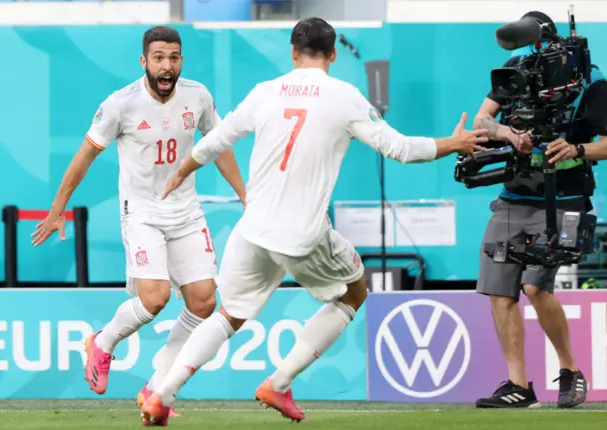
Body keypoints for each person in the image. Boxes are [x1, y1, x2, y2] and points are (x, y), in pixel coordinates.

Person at [136, 17, 488, 426]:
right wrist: (455, 143)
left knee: (228, 314)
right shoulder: (344, 97)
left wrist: (183, 169)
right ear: (334, 54)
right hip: (302, 234)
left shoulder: (265, 92)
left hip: (252, 228)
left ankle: (162, 394)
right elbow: (402, 149)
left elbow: (217, 139)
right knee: (354, 292)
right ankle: (280, 383)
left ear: (292, 52)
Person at [31, 26, 246, 414]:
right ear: (144, 61)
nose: (167, 66)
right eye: (159, 58)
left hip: (186, 211)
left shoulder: (197, 96)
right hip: (142, 213)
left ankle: (157, 388)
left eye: (174, 58)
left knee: (203, 302)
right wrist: (58, 208)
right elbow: (84, 157)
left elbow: (218, 147)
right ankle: (103, 342)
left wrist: (246, 196)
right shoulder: (120, 104)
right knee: (155, 298)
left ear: (182, 61)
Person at [474, 10, 607, 409]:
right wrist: (507, 134)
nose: (538, 56)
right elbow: (483, 117)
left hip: (565, 200)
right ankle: (518, 384)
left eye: (544, 48)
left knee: (534, 286)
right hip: (513, 197)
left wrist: (577, 148)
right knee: (500, 288)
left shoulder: (592, 82)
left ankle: (570, 370)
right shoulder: (514, 69)